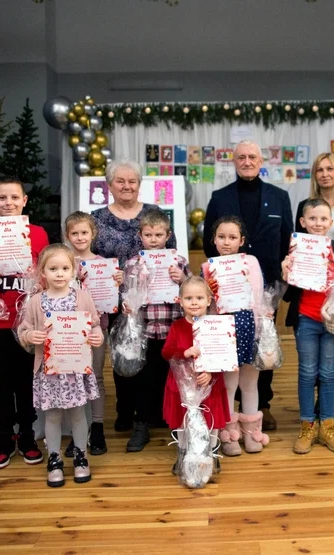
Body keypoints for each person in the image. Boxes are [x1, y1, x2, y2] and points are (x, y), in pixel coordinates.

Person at [203, 140, 293, 431]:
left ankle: (261, 406)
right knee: (230, 350)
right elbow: (208, 242)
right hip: (227, 293)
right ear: (234, 161)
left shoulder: (280, 197)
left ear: (261, 159)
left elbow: (287, 240)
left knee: (262, 346)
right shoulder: (219, 197)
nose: (247, 161)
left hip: (266, 290)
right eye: (241, 157)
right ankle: (228, 409)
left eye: (252, 156)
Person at [0, 176, 49, 469]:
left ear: (24, 201)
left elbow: (46, 273)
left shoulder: (38, 233)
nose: (9, 203)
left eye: (15, 198)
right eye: (2, 198)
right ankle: (5, 437)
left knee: (27, 383)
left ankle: (27, 436)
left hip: (27, 322)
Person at [91, 160, 175, 433]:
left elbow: (170, 253)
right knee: (123, 354)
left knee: (153, 357)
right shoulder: (97, 219)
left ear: (140, 185)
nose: (127, 186)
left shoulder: (155, 212)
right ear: (109, 185)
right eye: (120, 181)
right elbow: (87, 257)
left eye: (132, 181)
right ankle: (125, 410)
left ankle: (154, 410)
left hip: (155, 301)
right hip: (113, 299)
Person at [17, 244, 103, 487]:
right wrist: (29, 336)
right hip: (49, 371)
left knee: (78, 414)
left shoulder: (82, 297)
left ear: (73, 270)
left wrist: (97, 336)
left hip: (76, 370)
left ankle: (81, 457)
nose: (59, 273)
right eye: (53, 268)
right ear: (42, 272)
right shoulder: (35, 301)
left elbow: (94, 324)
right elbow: (23, 329)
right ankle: (54, 459)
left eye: (65, 268)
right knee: (52, 417)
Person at [121, 210, 191, 452]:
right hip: (145, 332)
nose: (153, 239)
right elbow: (127, 296)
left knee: (172, 378)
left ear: (167, 235)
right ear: (140, 236)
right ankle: (142, 423)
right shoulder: (133, 263)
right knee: (143, 379)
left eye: (158, 234)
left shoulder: (178, 261)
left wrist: (182, 279)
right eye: (148, 234)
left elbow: (192, 293)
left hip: (173, 331)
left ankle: (174, 421)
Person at [282, 198, 334, 455]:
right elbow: (288, 292)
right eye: (312, 219)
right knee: (308, 372)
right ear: (302, 222)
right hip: (306, 318)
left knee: (329, 373)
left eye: (323, 219)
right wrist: (286, 272)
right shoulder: (296, 249)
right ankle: (307, 425)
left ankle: (327, 426)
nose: (318, 223)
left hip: (331, 320)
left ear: (331, 223)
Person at [295, 152, 334, 420]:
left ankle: (333, 400)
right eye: (319, 169)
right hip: (308, 303)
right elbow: (295, 243)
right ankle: (310, 419)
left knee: (333, 361)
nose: (325, 174)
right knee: (309, 370)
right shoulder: (304, 206)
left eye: (330, 169)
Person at [202, 216, 267, 456]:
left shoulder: (250, 261)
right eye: (221, 237)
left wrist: (260, 329)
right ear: (214, 240)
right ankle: (229, 435)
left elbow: (258, 296)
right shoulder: (208, 267)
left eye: (232, 237)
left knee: (249, 384)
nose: (226, 242)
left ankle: (251, 434)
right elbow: (207, 305)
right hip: (223, 331)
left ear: (241, 241)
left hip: (249, 326)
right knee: (227, 386)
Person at [64, 211, 123, 456]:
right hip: (67, 330)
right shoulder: (63, 262)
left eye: (84, 232)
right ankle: (77, 430)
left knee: (96, 376)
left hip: (96, 328)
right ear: (67, 236)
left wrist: (116, 281)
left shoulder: (103, 263)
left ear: (93, 234)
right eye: (74, 233)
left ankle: (97, 426)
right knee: (74, 378)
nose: (79, 237)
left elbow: (111, 300)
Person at [162, 276, 229, 475]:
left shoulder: (218, 326)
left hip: (210, 383)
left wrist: (211, 372)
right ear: (180, 301)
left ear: (209, 300)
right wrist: (183, 352)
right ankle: (183, 453)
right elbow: (166, 353)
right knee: (183, 420)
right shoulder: (177, 327)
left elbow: (224, 355)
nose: (194, 302)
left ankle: (211, 454)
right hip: (181, 385)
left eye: (199, 298)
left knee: (211, 418)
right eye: (189, 298)